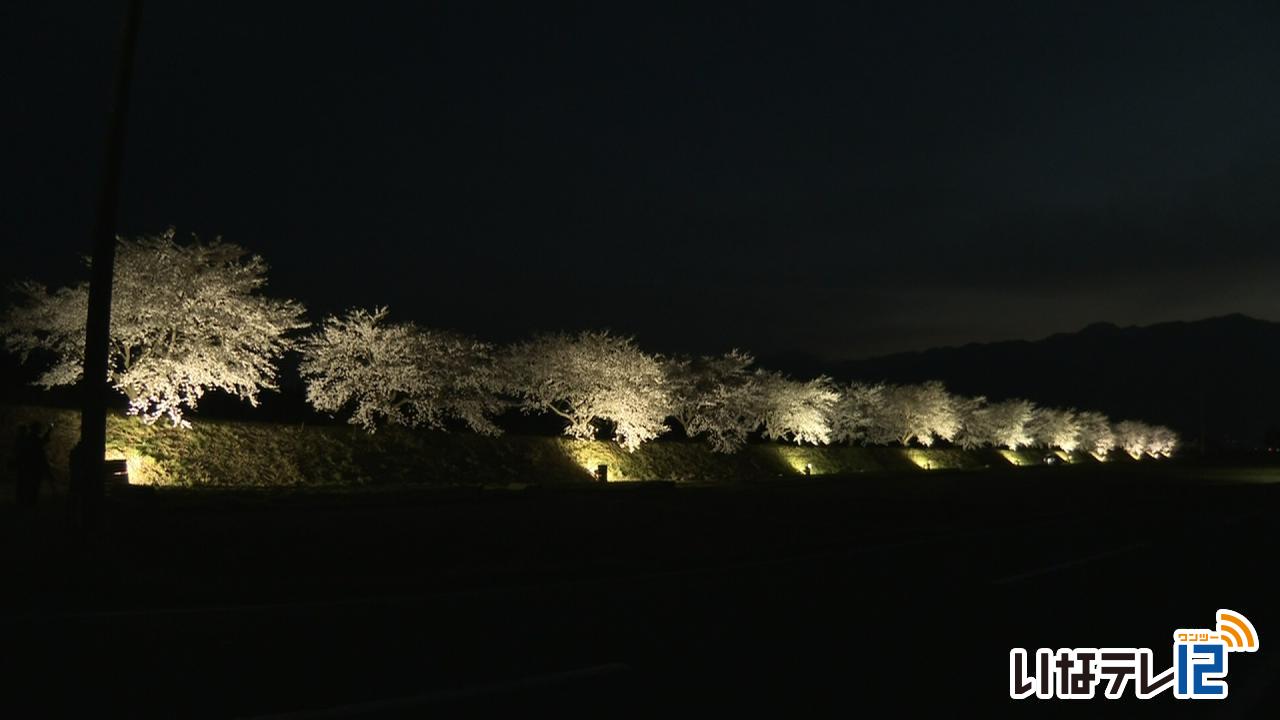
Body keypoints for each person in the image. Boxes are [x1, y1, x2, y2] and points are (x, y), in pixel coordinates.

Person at [12, 422, 55, 507]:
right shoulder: (33, 440)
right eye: (39, 429)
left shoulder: (27, 439)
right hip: (33, 468)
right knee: (32, 486)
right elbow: (43, 442)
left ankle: (23, 502)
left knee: (26, 485)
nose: (40, 430)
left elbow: (42, 441)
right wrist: (50, 429)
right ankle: (28, 503)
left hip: (27, 467)